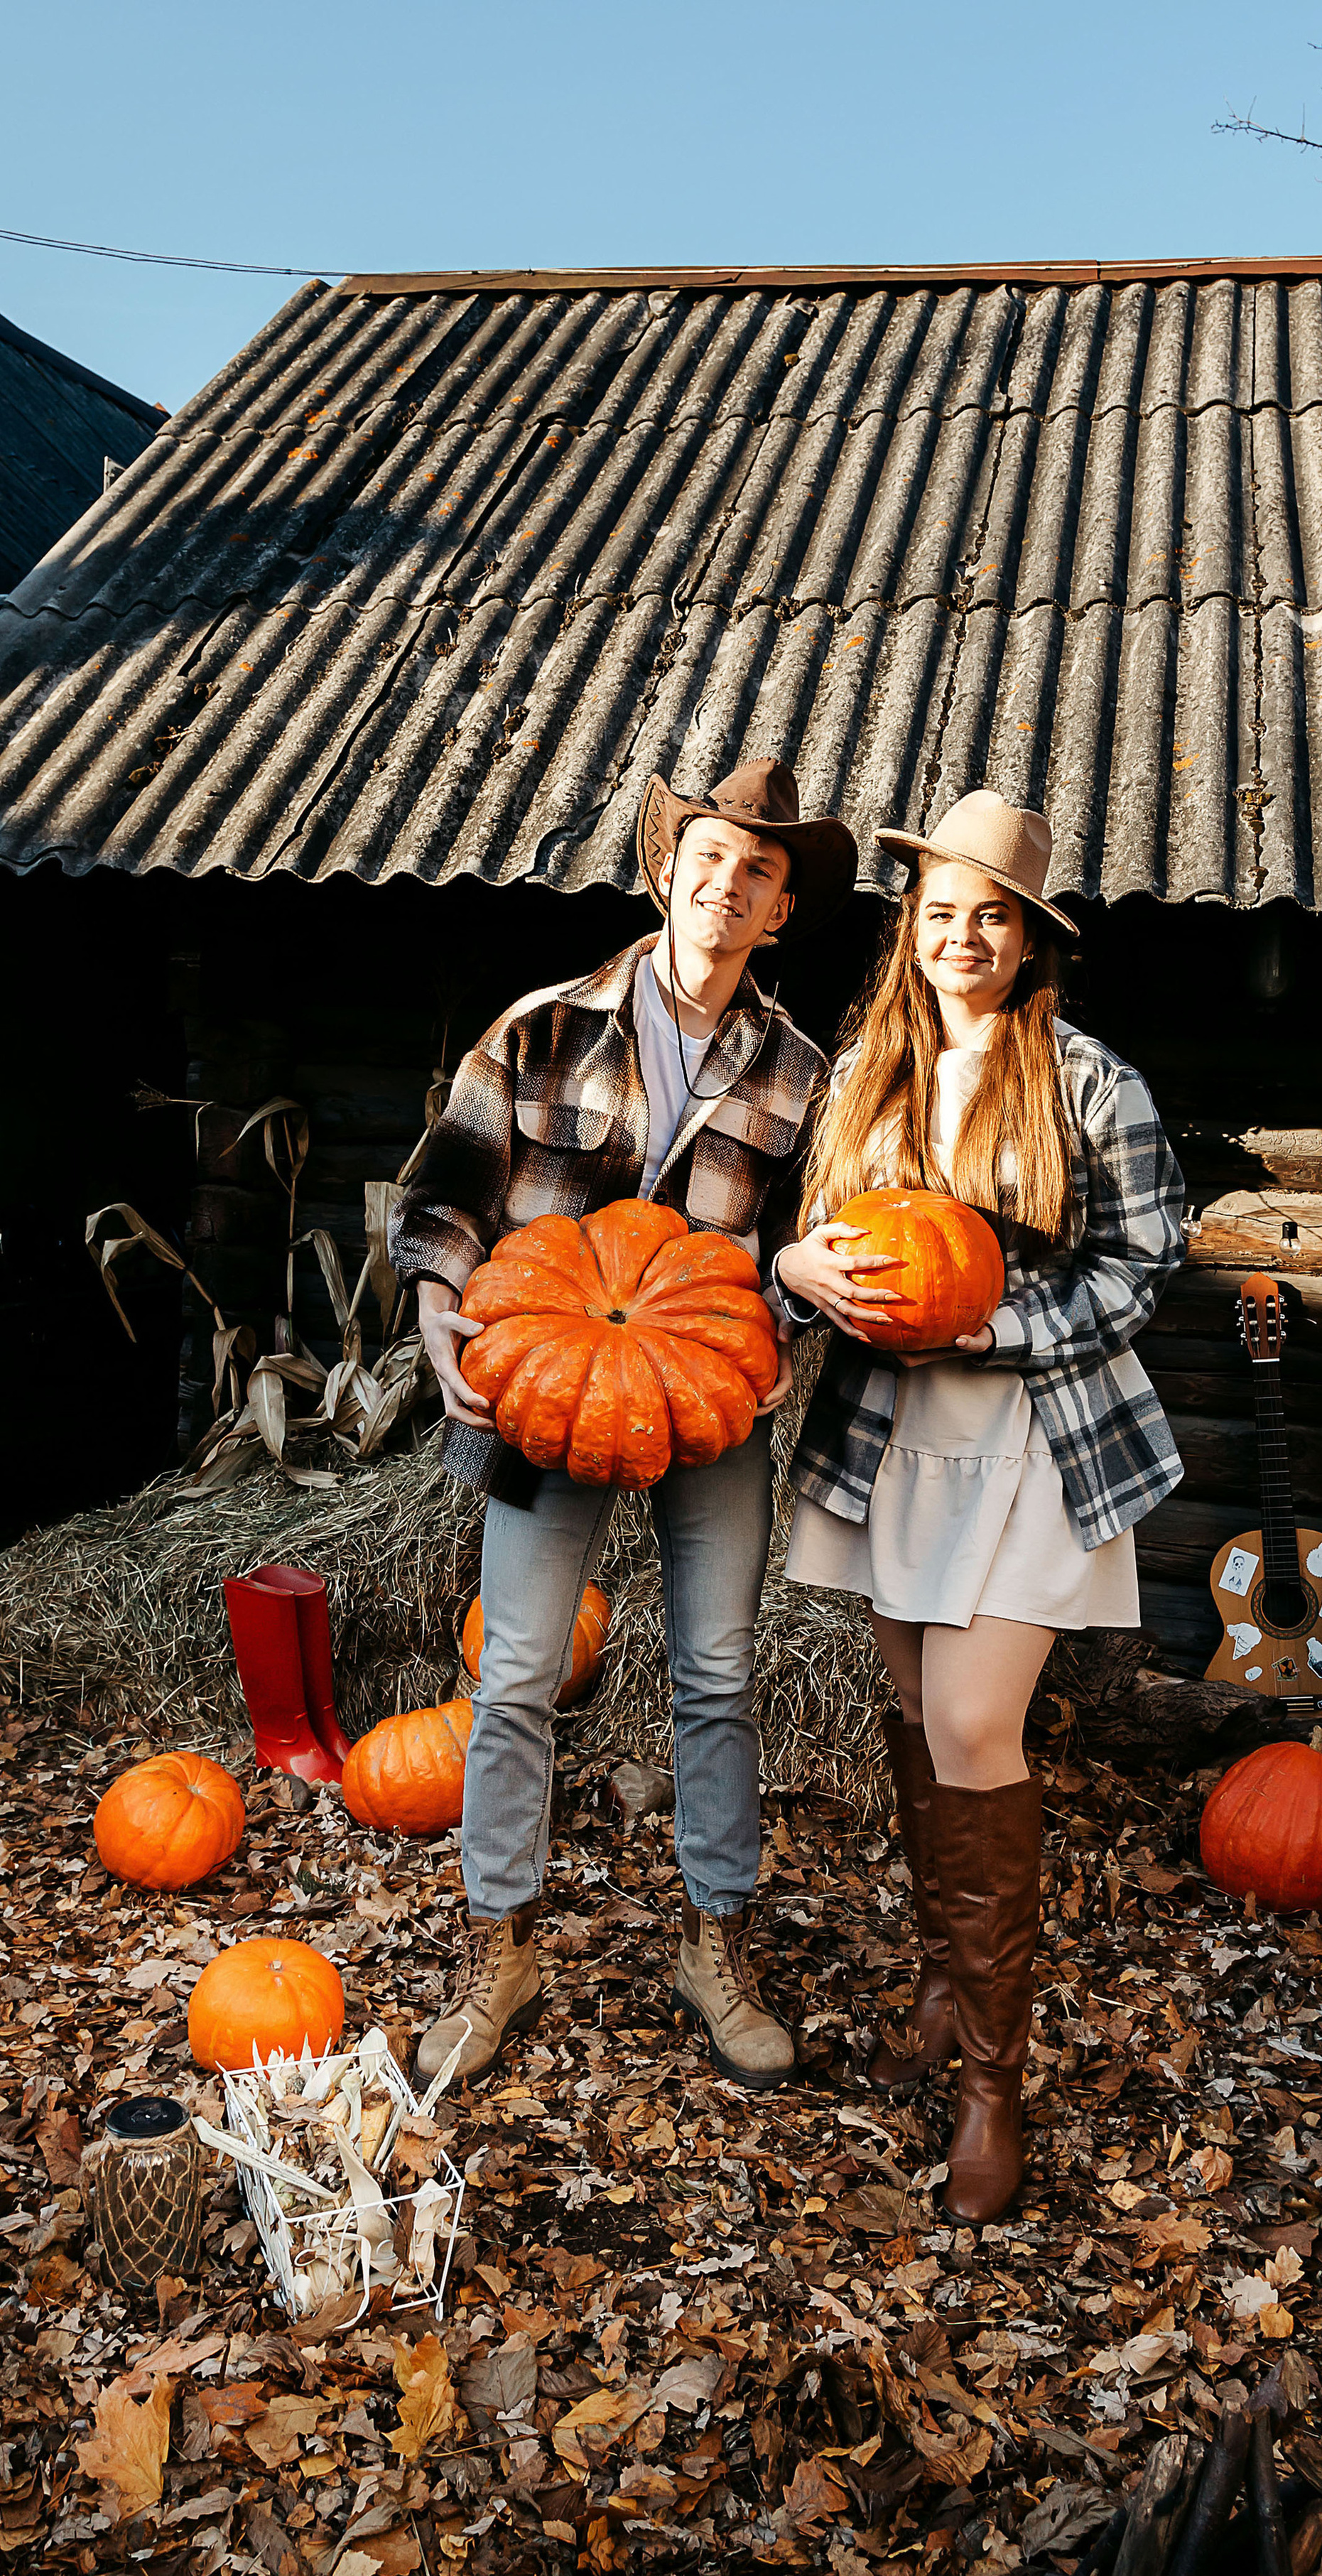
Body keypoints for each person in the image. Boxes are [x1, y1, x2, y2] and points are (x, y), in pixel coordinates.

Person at [390, 760, 855, 2092]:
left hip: (710, 1398)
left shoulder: (801, 1073)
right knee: (516, 1674)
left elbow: (807, 1245)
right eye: (710, 856)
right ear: (667, 869)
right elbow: (445, 1193)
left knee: (715, 1673)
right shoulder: (543, 1029)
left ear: (780, 911)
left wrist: (786, 1320)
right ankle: (500, 1951)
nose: (729, 884)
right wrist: (438, 1312)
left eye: (760, 871)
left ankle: (715, 1945)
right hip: (549, 1392)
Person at [774, 789, 1185, 2224]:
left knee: (967, 1723)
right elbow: (818, 1237)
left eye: (989, 918)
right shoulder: (863, 1072)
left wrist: (991, 1324)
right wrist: (797, 1274)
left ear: (1026, 941)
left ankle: (991, 2087)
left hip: (1033, 1436)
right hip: (889, 1435)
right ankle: (948, 1983)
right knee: (910, 1710)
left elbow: (1140, 1270)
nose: (961, 937)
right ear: (912, 929)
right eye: (939, 913)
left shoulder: (1088, 1083)